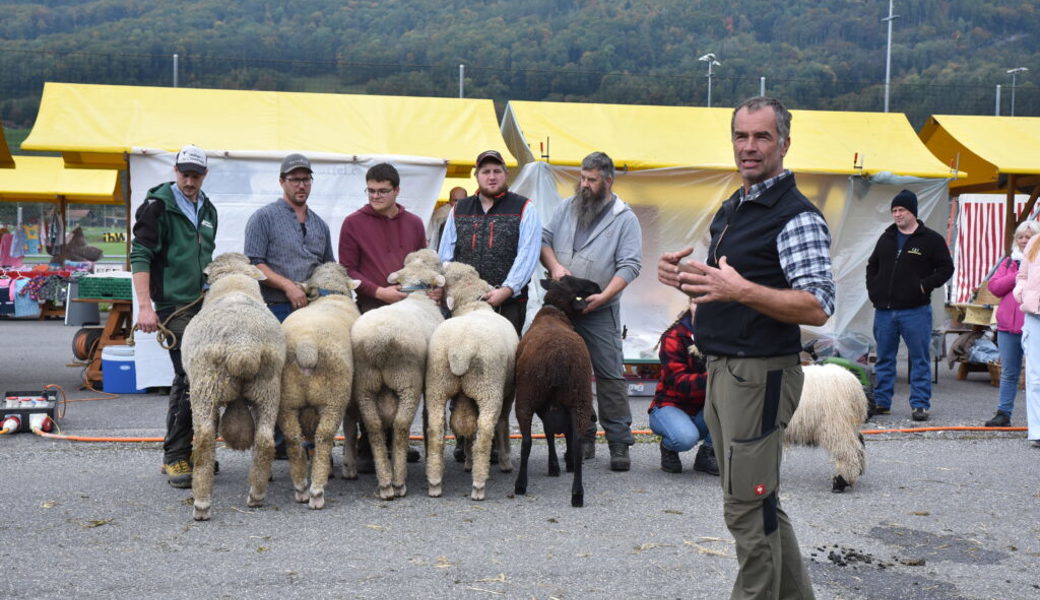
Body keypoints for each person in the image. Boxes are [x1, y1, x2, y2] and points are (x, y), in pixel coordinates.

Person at [659, 96, 832, 600]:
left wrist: (741, 292)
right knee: (761, 502)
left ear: (784, 143)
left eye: (761, 137)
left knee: (746, 507)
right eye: (741, 136)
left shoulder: (795, 215)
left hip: (759, 375)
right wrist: (685, 280)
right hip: (724, 370)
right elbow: (728, 288)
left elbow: (818, 305)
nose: (749, 147)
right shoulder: (736, 207)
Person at [541, 151, 642, 472]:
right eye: (582, 178)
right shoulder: (566, 208)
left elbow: (630, 265)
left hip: (600, 309)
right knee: (570, 374)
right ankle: (583, 434)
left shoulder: (624, 218)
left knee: (610, 374)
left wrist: (604, 297)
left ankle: (619, 442)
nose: (584, 185)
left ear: (608, 181)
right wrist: (555, 266)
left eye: (591, 180)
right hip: (563, 309)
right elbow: (543, 240)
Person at [130, 144, 217, 489]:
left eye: (196, 174)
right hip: (171, 305)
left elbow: (205, 256)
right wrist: (145, 307)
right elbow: (140, 255)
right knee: (188, 375)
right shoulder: (156, 206)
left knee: (208, 376)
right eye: (184, 173)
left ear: (204, 175)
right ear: (175, 171)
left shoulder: (207, 208)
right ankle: (175, 455)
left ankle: (200, 449)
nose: (189, 180)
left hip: (201, 302)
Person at [338, 162, 432, 469]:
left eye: (382, 191)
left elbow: (423, 262)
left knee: (406, 376)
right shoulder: (353, 223)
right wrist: (379, 292)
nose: (375, 196)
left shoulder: (415, 223)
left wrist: (431, 289)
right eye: (371, 191)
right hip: (372, 308)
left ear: (396, 190)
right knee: (371, 380)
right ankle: (370, 444)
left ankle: (397, 439)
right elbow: (348, 269)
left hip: (411, 311)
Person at [865, 189, 954, 422]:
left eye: (901, 210)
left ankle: (920, 405)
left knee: (919, 358)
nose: (897, 214)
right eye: (894, 210)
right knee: (884, 358)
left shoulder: (931, 240)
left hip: (915, 311)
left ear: (913, 212)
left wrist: (925, 286)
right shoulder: (886, 237)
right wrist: (874, 291)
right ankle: (882, 402)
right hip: (884, 311)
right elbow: (871, 266)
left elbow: (946, 268)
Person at [437, 150, 541, 336]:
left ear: (506, 174)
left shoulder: (524, 208)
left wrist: (508, 289)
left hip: (508, 304)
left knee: (503, 358)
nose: (492, 177)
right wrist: (448, 289)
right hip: (464, 303)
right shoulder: (459, 209)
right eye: (485, 172)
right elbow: (446, 255)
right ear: (476, 176)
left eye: (497, 171)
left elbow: (528, 254)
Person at [244, 153, 335, 322]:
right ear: (282, 181)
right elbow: (253, 264)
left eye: (306, 180)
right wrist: (288, 286)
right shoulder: (263, 218)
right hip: (275, 309)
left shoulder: (320, 225)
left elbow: (328, 267)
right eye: (294, 179)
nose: (301, 185)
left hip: (314, 310)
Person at [649, 300, 719, 476]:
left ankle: (707, 453)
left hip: (705, 406)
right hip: (671, 405)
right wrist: (718, 379)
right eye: (697, 302)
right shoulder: (673, 337)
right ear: (690, 304)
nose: (703, 307)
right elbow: (678, 382)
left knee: (735, 403)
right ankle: (668, 447)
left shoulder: (724, 334)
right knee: (685, 438)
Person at [985, 221, 1040, 427]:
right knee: (1009, 372)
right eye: (1020, 237)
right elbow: (994, 287)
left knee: (1036, 375)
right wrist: (1016, 276)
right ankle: (1003, 413)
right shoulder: (1009, 262)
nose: (1024, 240)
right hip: (1008, 327)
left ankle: (1035, 419)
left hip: (1033, 323)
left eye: (1029, 236)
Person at [1013, 230, 1040, 449]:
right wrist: (1021, 292)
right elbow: (1022, 275)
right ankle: (1037, 431)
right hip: (1034, 315)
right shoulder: (1034, 241)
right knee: (1035, 377)